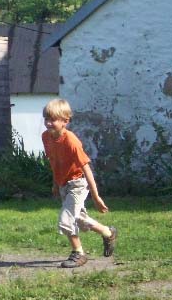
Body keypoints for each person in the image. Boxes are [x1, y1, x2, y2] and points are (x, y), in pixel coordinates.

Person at [42, 98, 118, 268]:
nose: (48, 123)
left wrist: (96, 197)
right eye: (46, 119)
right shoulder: (46, 137)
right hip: (63, 184)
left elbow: (87, 169)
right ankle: (108, 232)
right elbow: (54, 161)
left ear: (65, 121)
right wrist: (55, 183)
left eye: (52, 120)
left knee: (66, 218)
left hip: (77, 183)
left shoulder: (71, 141)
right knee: (80, 219)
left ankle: (79, 253)